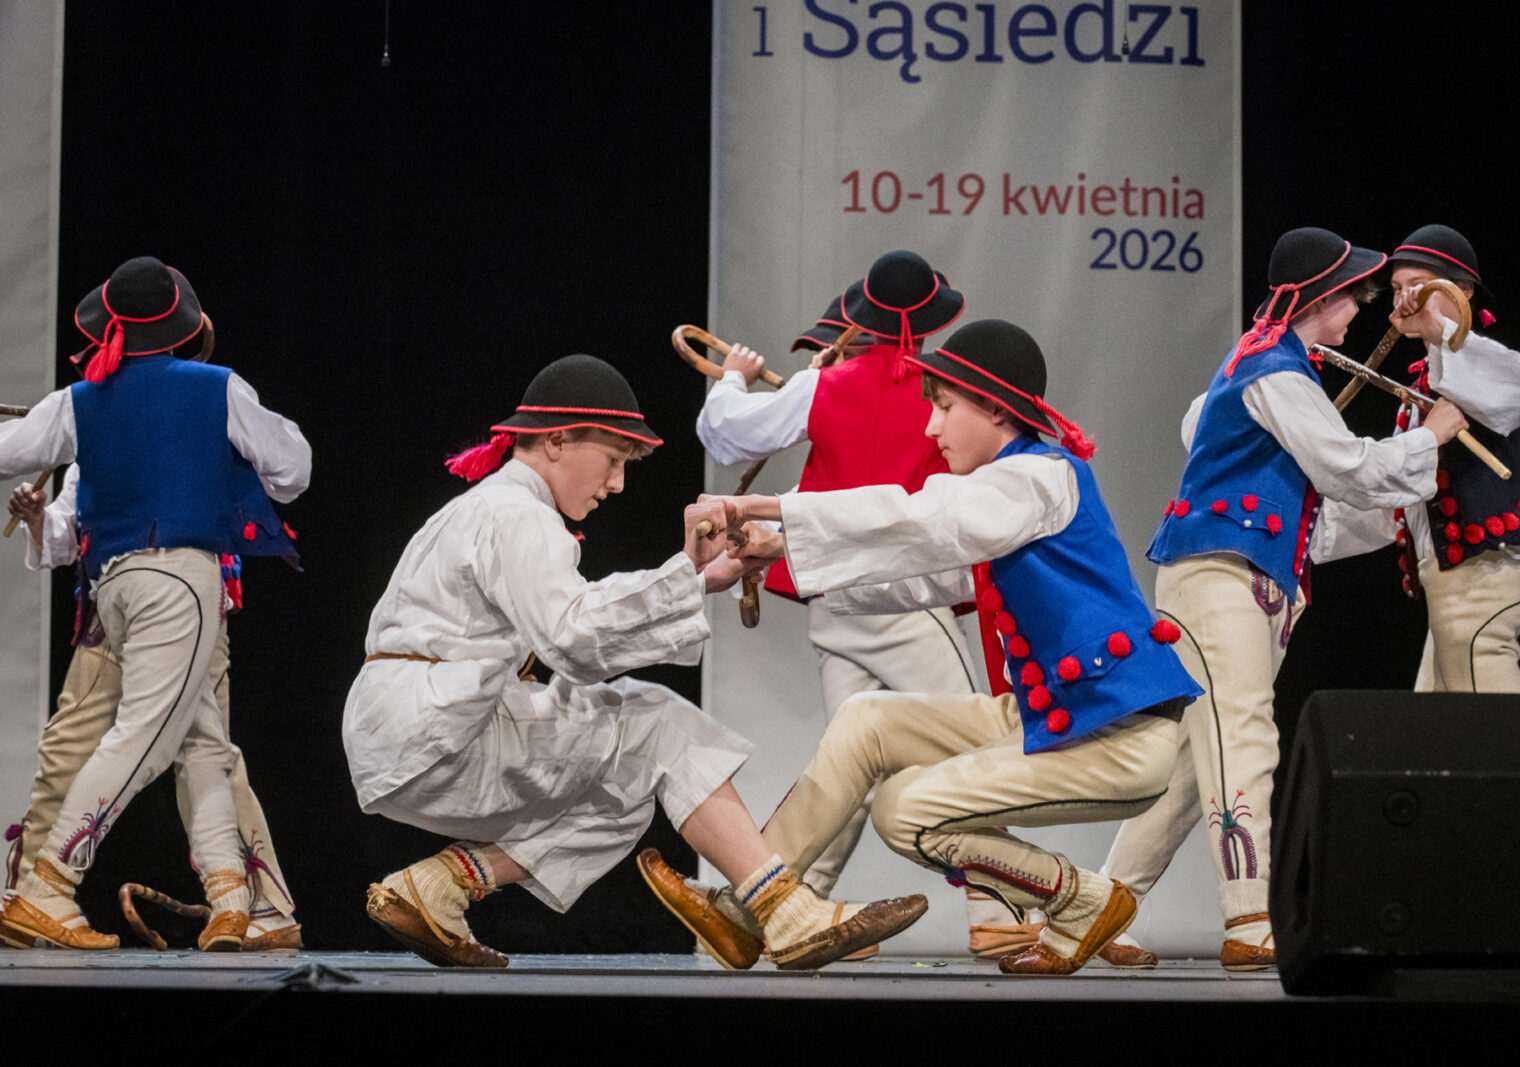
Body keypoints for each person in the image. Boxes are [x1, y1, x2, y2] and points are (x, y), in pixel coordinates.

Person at [655, 317, 1204, 976]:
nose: (930, 428)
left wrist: (771, 509)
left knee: (904, 810)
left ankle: (1081, 899)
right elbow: (921, 574)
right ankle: (753, 908)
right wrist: (782, 549)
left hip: (1118, 735)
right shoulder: (1009, 498)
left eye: (944, 407)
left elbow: (921, 517)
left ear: (995, 408)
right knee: (865, 721)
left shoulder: (1035, 478)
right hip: (1061, 717)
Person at [344, 353, 926, 969]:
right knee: (658, 722)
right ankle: (784, 911)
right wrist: (688, 575)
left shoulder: (493, 507)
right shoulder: (515, 513)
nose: (617, 484)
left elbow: (575, 622)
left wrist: (698, 579)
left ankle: (438, 887)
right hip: (439, 727)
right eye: (614, 459)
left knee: (624, 788)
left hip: (417, 729)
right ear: (557, 440)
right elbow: (573, 638)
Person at [1097, 227, 1467, 970]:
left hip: (1239, 577)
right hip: (1219, 577)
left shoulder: (1268, 363)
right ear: (1321, 297)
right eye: (1354, 295)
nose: (1360, 308)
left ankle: (1096, 908)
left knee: (1194, 761)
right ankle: (1248, 917)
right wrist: (1429, 437)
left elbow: (1309, 512)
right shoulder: (1274, 368)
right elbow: (1345, 468)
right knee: (1244, 735)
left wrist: (1399, 506)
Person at [697, 253, 1030, 957]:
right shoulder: (945, 394)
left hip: (835, 599)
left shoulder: (823, 384)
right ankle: (996, 910)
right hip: (908, 596)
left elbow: (726, 433)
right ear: (932, 319)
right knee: (973, 755)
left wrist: (733, 377)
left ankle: (781, 910)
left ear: (860, 320)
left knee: (844, 769)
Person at [0, 255, 308, 951]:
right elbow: (294, 471)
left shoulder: (79, 400)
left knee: (202, 740)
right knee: (145, 735)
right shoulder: (217, 387)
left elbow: (9, 452)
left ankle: (231, 899)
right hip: (179, 580)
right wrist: (230, 457)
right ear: (182, 326)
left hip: (114, 587)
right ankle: (49, 884)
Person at [4, 465, 301, 950]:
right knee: (72, 747)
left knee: (207, 749)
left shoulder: (208, 419)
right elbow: (68, 525)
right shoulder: (100, 430)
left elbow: (289, 467)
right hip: (117, 599)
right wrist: (39, 519)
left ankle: (256, 908)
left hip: (190, 597)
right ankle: (30, 896)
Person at [1384, 225, 1520, 692]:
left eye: (1419, 286)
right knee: (1437, 730)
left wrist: (1442, 333)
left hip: (1479, 584)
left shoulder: (1482, 367)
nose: (1405, 300)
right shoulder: (1426, 383)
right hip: (1448, 589)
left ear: (1462, 291)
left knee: (1490, 728)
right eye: (1397, 288)